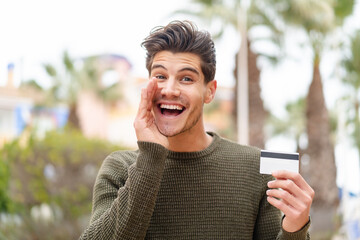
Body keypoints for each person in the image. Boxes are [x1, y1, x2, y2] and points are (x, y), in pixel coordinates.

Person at [79, 20, 314, 240]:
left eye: (186, 79)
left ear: (210, 91)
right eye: (160, 76)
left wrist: (295, 228)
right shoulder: (119, 168)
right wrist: (151, 156)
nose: (169, 89)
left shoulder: (255, 168)